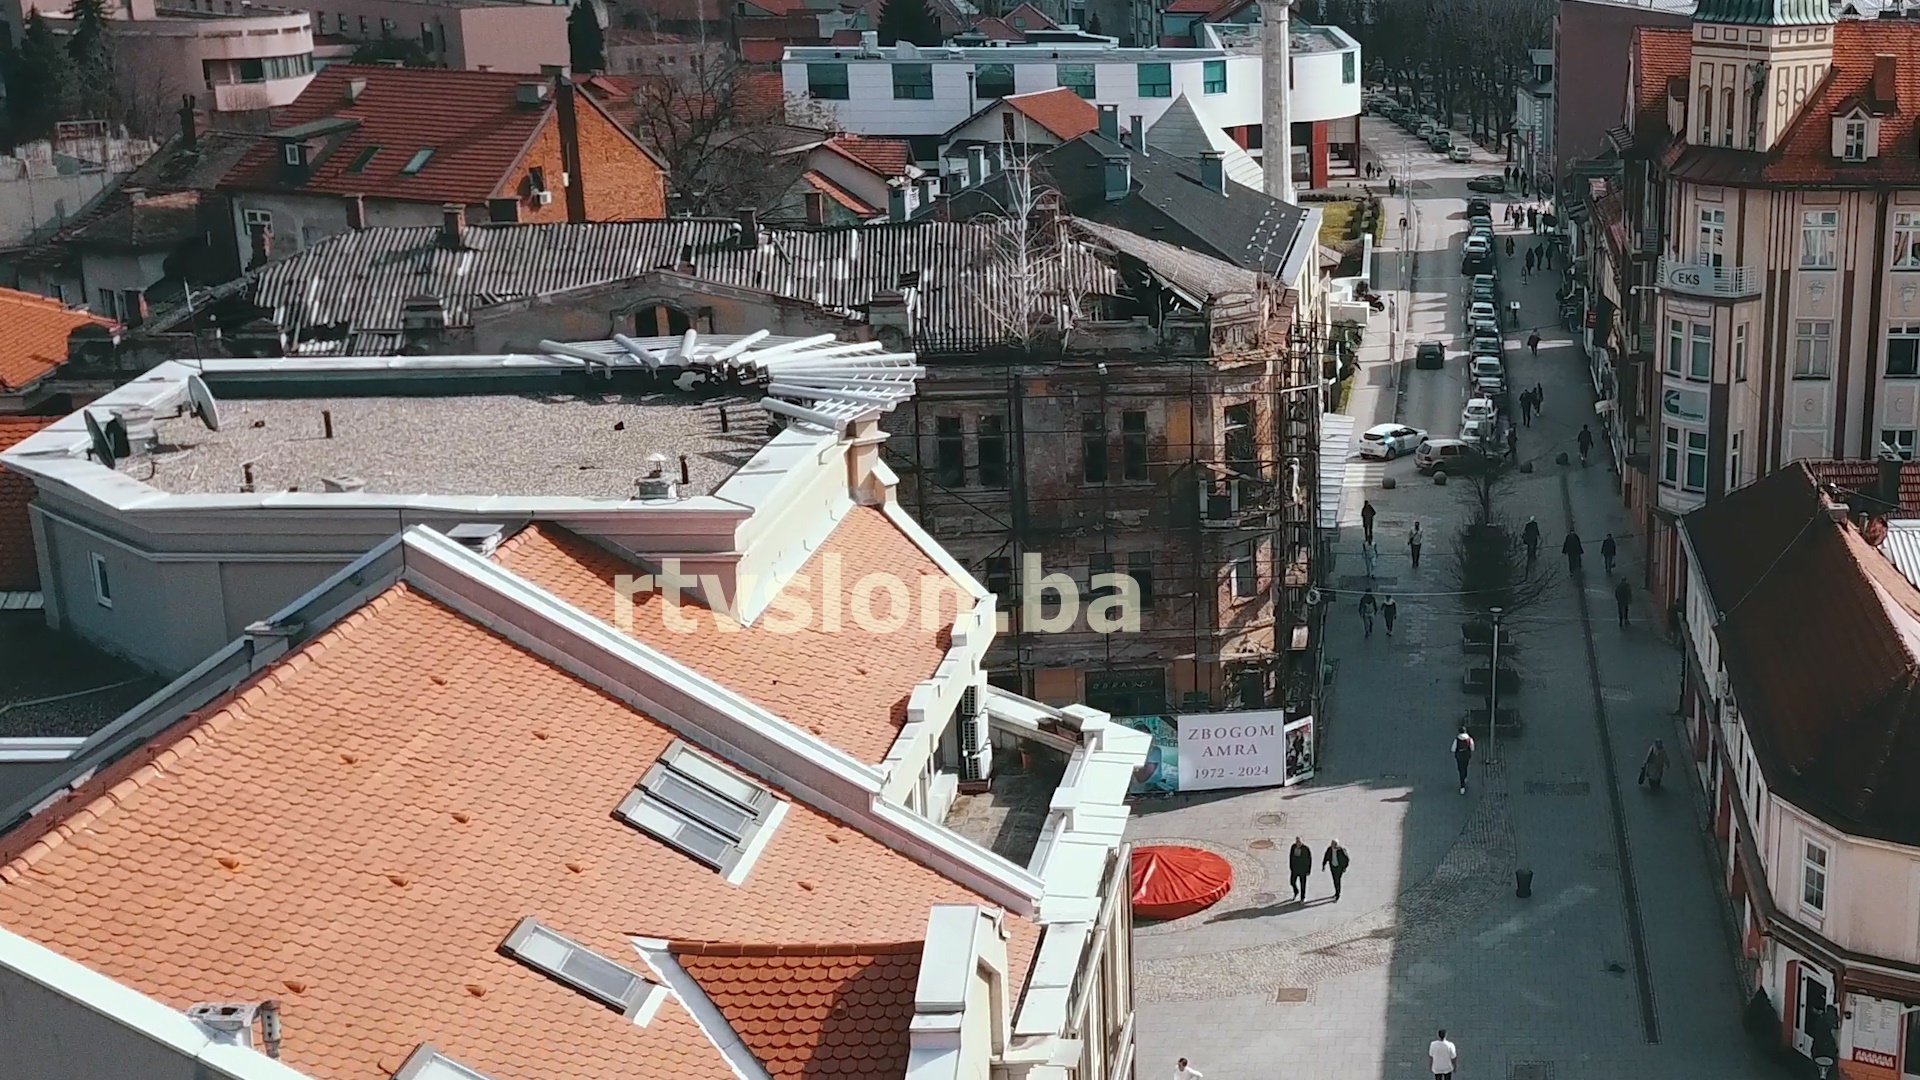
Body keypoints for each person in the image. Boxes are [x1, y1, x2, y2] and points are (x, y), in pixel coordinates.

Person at [1288, 837, 1313, 901]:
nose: (1298, 843)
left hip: (1303, 870)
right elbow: (1291, 856)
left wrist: (1308, 870)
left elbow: (1309, 860)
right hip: (1295, 869)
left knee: (1303, 884)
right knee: (1292, 882)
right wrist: (1291, 866)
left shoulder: (1306, 849)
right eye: (1297, 842)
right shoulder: (1293, 847)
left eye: (1299, 842)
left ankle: (1303, 897)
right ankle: (1296, 891)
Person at [1451, 728, 1474, 795]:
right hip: (1466, 755)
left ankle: (1462, 785)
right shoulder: (1469, 739)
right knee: (1465, 766)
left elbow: (1453, 749)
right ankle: (1465, 777)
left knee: (1460, 769)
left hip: (1459, 756)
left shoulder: (1457, 740)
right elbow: (1472, 748)